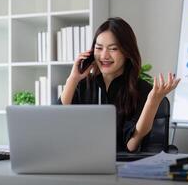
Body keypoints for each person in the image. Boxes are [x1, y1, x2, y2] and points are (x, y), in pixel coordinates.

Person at [58, 17, 180, 152]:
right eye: (99, 48)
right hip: (81, 163)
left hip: (121, 166)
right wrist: (73, 78)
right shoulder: (83, 85)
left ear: (127, 52)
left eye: (113, 49)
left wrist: (153, 101)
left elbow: (131, 145)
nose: (104, 55)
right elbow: (55, 122)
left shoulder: (141, 89)